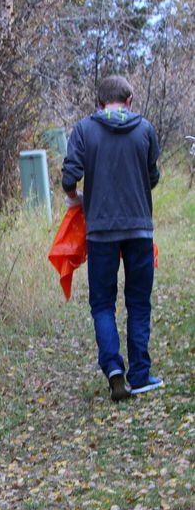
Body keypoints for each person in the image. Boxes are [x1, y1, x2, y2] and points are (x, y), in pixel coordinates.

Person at [62, 74, 163, 402]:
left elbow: (69, 176)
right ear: (129, 100)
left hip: (101, 232)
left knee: (103, 303)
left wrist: (75, 197)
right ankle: (140, 374)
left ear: (99, 103)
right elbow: (153, 177)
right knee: (138, 302)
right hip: (139, 230)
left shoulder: (84, 130)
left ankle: (113, 369)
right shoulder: (145, 129)